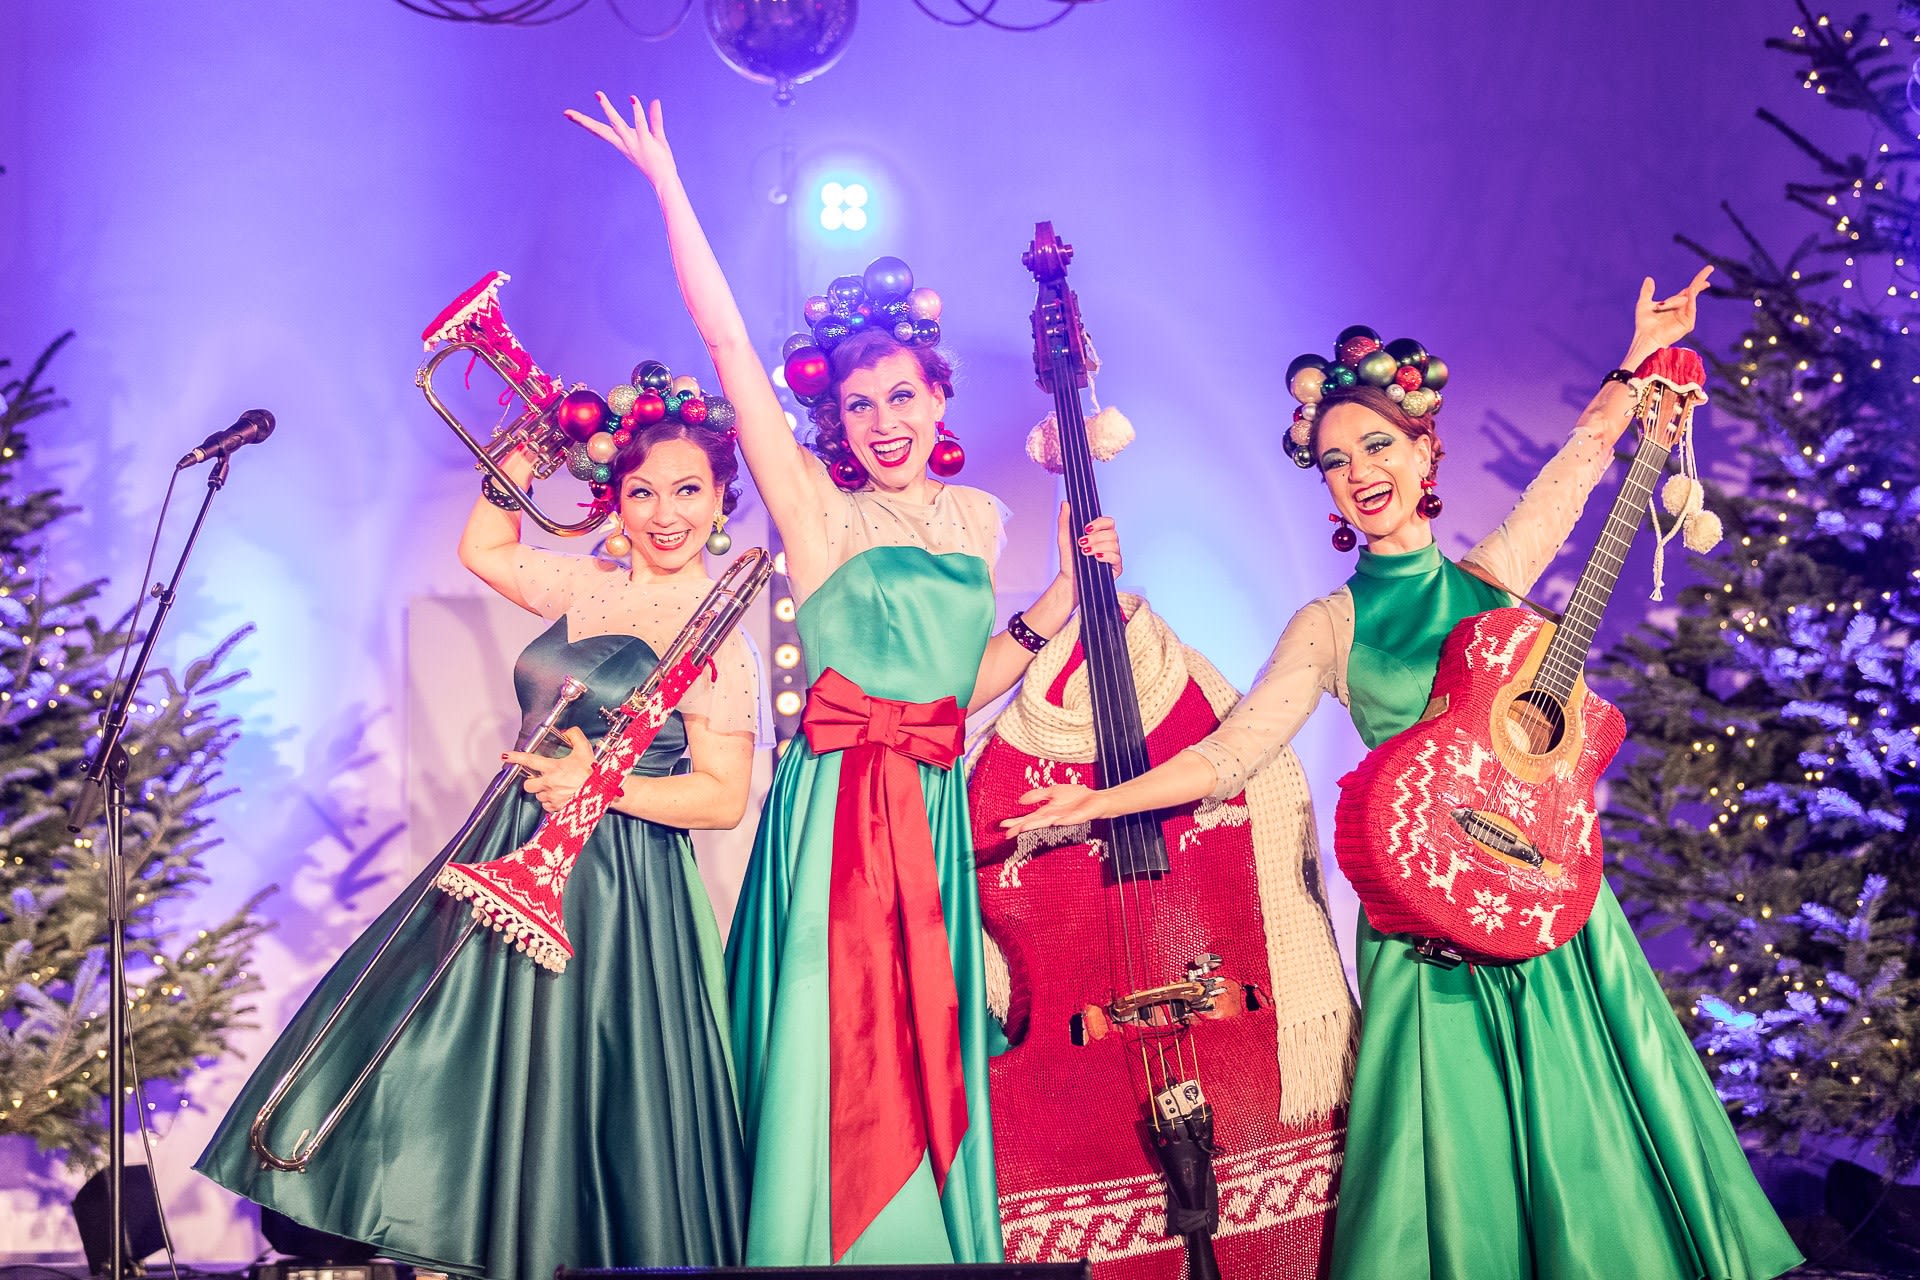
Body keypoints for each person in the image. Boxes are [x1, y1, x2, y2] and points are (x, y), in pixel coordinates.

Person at [1006, 268, 1805, 1279]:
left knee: (1581, 1132)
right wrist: (1096, 799)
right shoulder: (1329, 625)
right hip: (1423, 920)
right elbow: (1230, 754)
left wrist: (1639, 354)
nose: (1359, 471)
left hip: (1538, 896)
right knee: (1458, 1162)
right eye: (1336, 460)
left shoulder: (1491, 575)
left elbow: (1585, 455)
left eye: (1377, 444)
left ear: (1424, 448)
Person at [567, 93, 1122, 1265]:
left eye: (902, 397)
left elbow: (963, 682)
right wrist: (670, 187)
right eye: (858, 404)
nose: (881, 420)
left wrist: (1065, 593)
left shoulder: (975, 520)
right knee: (829, 1034)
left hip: (926, 800)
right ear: (835, 416)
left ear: (938, 398)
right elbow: (725, 344)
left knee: (927, 1033)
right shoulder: (815, 511)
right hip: (830, 818)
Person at [196, 414, 760, 1277]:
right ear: (617, 498)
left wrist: (603, 786)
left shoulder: (725, 634)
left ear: (722, 498)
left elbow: (721, 799)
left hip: (616, 882)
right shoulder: (583, 586)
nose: (665, 513)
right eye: (642, 491)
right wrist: (534, 437)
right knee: (438, 1055)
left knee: (578, 1085)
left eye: (688, 491)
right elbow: (485, 544)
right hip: (507, 839)